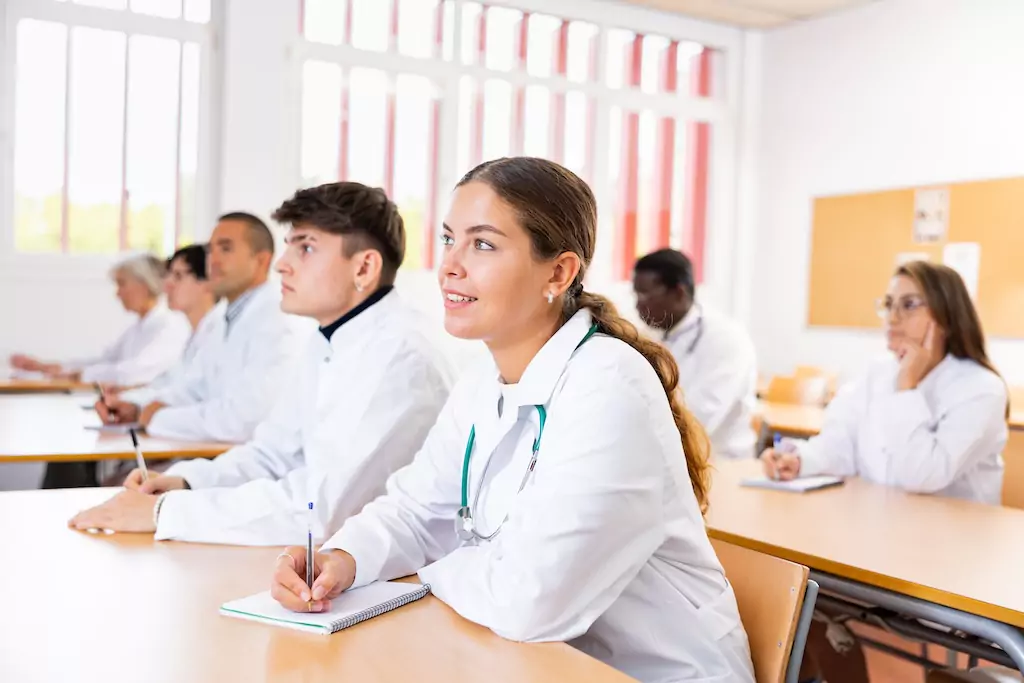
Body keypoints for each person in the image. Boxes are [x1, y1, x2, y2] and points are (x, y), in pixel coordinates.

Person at [267, 158, 754, 683]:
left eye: (482, 244)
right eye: (450, 239)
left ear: (559, 272)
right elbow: (414, 509)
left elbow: (529, 602)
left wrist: (429, 569)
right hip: (529, 661)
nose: (449, 266)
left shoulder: (609, 385)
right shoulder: (483, 376)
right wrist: (345, 558)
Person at [68, 183, 454, 543]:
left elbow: (321, 511)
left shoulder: (399, 359)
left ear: (364, 268)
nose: (282, 265)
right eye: (289, 247)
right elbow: (272, 452)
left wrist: (166, 512)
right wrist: (186, 480)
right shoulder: (329, 339)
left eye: (305, 248)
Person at [761, 260, 1008, 505]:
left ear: (946, 318)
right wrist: (799, 460)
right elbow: (839, 444)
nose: (893, 317)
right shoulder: (877, 372)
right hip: (883, 524)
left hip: (953, 536)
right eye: (889, 305)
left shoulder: (982, 390)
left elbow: (923, 475)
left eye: (909, 305)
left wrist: (906, 388)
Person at [96, 213, 296, 443]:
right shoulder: (227, 318)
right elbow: (193, 388)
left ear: (261, 260)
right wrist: (135, 406)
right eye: (211, 250)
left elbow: (242, 421)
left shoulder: (277, 319)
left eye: (226, 249)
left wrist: (155, 417)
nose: (214, 260)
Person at [633, 248, 758, 460]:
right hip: (671, 458)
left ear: (679, 293)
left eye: (646, 295)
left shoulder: (726, 338)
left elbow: (701, 418)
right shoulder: (658, 334)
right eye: (636, 295)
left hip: (720, 462)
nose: (638, 305)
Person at [9, 254, 190, 386]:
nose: (118, 293)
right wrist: (45, 367)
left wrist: (76, 375)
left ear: (143, 285)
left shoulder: (169, 325)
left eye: (122, 284)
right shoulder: (140, 327)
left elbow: (134, 373)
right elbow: (106, 361)